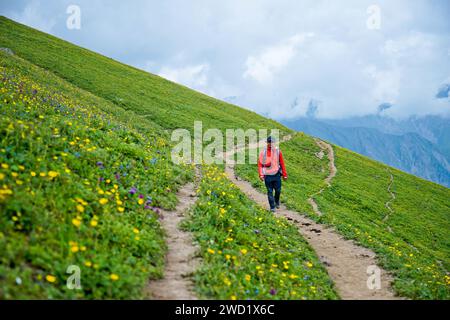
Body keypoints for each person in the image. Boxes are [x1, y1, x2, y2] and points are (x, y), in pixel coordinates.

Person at [258, 136, 288, 212]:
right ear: (267, 143)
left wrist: (284, 174)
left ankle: (276, 201)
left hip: (277, 175)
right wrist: (261, 174)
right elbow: (260, 164)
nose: (271, 144)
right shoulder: (263, 152)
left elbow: (282, 163)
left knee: (278, 190)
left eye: (272, 142)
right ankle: (272, 207)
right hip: (267, 175)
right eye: (269, 142)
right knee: (270, 191)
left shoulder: (278, 152)